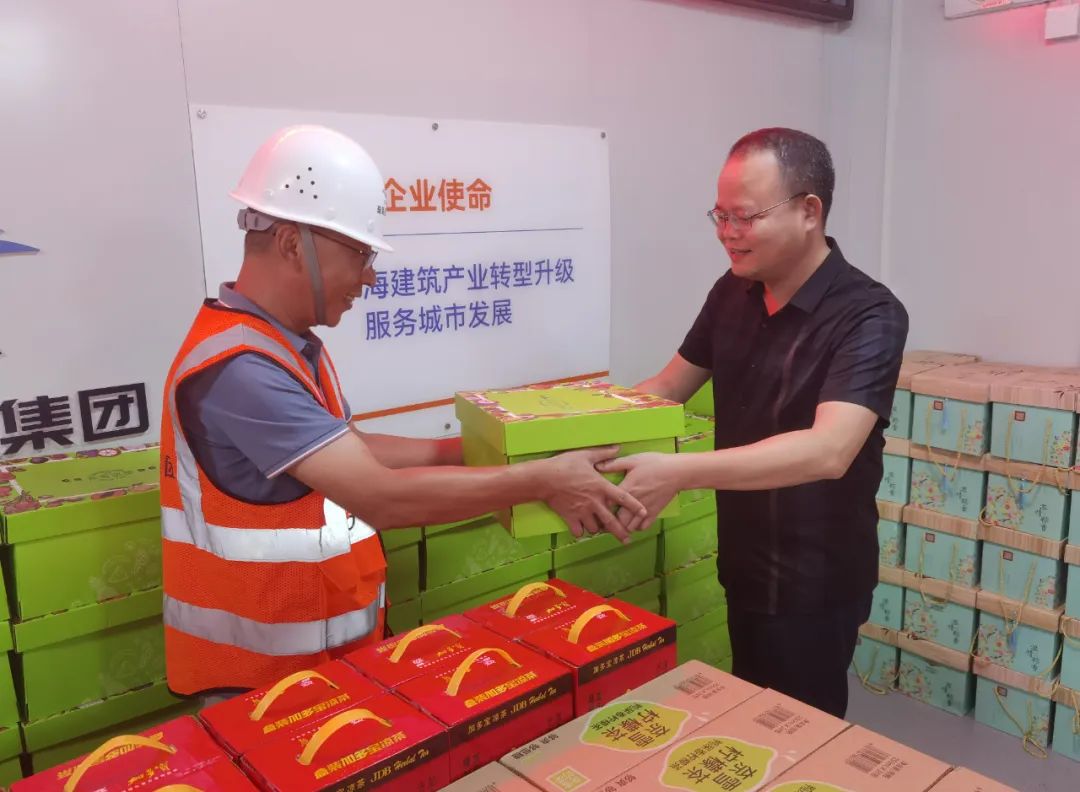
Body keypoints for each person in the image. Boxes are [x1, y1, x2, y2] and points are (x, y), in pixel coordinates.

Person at [159, 124, 647, 699]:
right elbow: (380, 498)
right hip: (261, 691)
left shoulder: (281, 344)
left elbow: (349, 449)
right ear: (292, 244)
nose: (369, 276)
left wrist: (477, 450)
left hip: (318, 671)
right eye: (360, 254)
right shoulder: (242, 370)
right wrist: (542, 479)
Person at [603, 128, 908, 718]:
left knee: (800, 732)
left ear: (809, 211)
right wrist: (568, 425)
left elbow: (829, 450)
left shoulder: (870, 314)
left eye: (744, 216)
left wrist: (678, 472)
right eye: (720, 216)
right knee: (749, 720)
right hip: (743, 559)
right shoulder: (733, 290)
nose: (727, 233)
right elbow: (667, 387)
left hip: (816, 579)